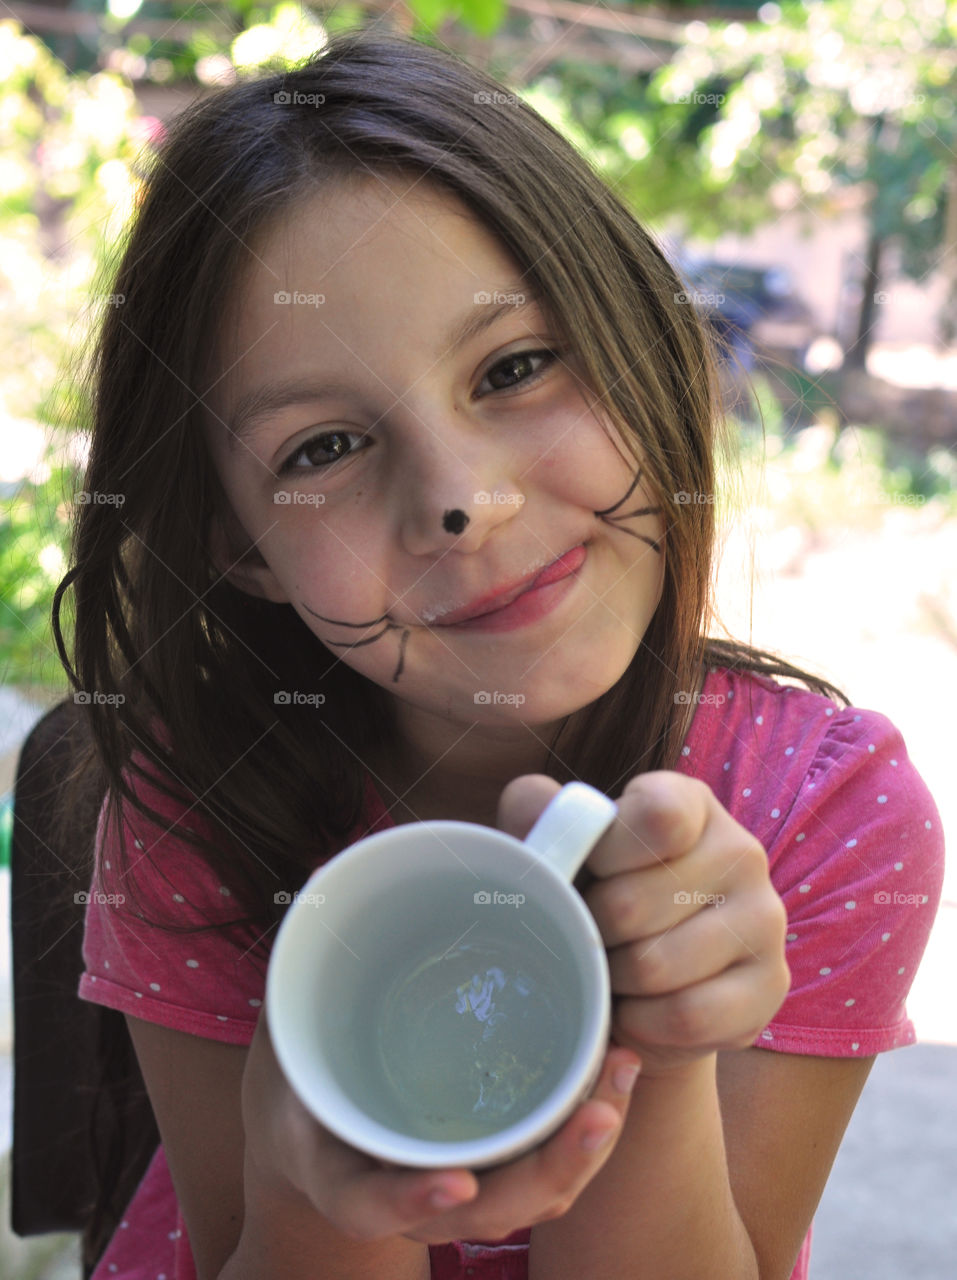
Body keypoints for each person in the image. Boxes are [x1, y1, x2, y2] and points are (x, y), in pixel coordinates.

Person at [53, 27, 944, 1280]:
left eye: (517, 365)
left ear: (645, 346)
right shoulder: (198, 806)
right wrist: (315, 1175)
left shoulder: (830, 811)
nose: (461, 498)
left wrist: (660, 1044)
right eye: (321, 449)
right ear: (238, 547)